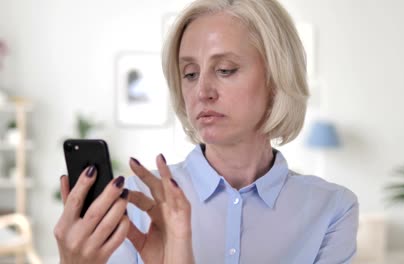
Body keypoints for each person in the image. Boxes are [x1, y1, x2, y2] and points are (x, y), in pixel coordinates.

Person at [54, 0, 359, 263]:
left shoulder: (332, 210)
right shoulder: (135, 202)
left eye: (225, 70)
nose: (202, 92)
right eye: (189, 74)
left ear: (276, 78)